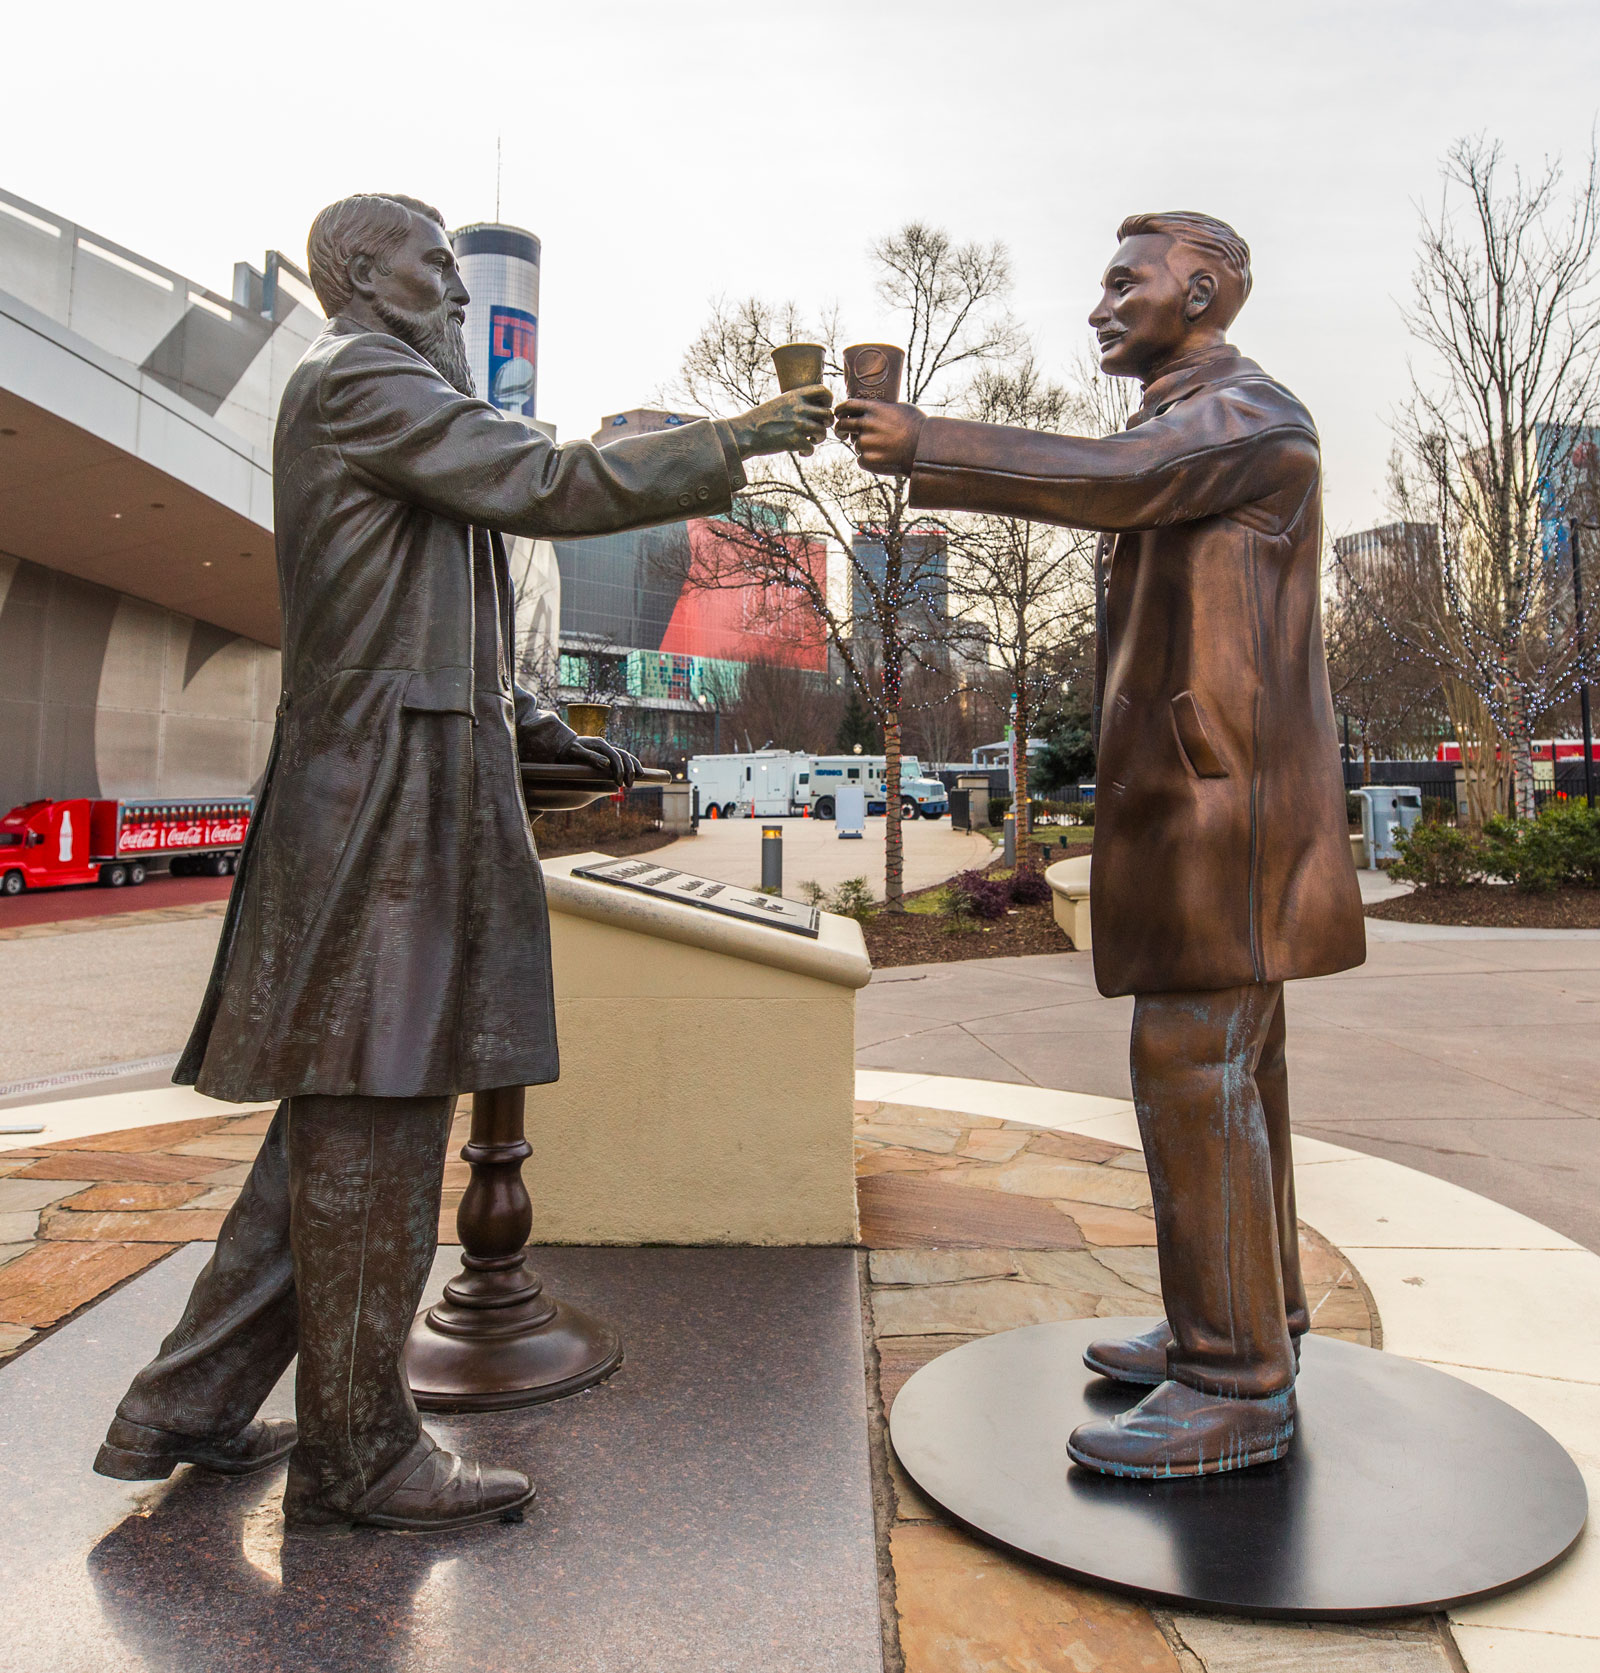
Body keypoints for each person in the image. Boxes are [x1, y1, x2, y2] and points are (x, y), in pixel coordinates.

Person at [94, 193, 832, 1531]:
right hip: (384, 802)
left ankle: (183, 1405)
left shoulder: (397, 403)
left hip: (405, 781)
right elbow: (555, 480)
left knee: (341, 1125)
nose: (452, 280)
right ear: (366, 277)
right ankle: (358, 1453)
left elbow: (451, 641)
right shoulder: (362, 376)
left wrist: (558, 742)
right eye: (432, 259)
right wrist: (740, 441)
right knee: (376, 1116)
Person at [837, 211, 1363, 1478]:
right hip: (1215, 799)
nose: (1101, 304)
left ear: (1204, 287)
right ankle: (1252, 1317)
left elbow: (1115, 482)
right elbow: (1126, 477)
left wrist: (929, 444)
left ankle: (1235, 1378)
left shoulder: (1245, 416)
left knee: (1193, 1062)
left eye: (1124, 281)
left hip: (1223, 808)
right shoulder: (1194, 420)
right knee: (1238, 1068)